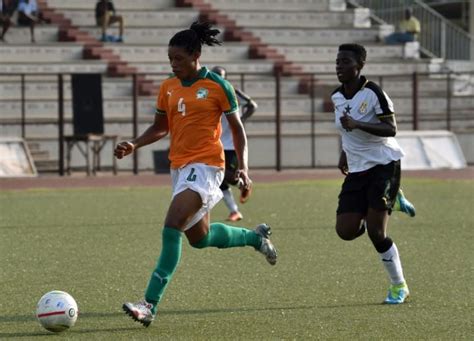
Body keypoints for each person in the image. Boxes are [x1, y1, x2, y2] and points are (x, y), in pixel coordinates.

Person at [114, 21, 277, 327]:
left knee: (172, 223)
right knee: (199, 238)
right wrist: (134, 144)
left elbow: (237, 129)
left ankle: (148, 304)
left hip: (207, 166)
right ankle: (254, 238)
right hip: (180, 168)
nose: (174, 65)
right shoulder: (168, 87)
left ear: (196, 55)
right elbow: (161, 127)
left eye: (179, 59)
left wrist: (243, 167)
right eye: (170, 59)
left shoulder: (218, 86)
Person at [332, 43, 410, 304]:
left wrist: (358, 124)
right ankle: (389, 200)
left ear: (359, 66)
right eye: (337, 61)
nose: (339, 66)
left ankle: (398, 286)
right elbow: (345, 130)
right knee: (345, 231)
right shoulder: (337, 96)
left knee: (376, 232)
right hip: (357, 168)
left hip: (384, 164)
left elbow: (391, 128)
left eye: (345, 62)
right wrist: (345, 152)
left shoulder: (373, 92)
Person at [211, 66, 258, 222]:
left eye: (221, 76)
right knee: (218, 178)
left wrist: (242, 119)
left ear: (226, 78)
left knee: (227, 175)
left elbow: (252, 105)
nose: (218, 78)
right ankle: (234, 211)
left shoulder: (232, 92)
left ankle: (242, 184)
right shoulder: (206, 93)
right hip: (216, 143)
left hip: (232, 143)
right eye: (215, 75)